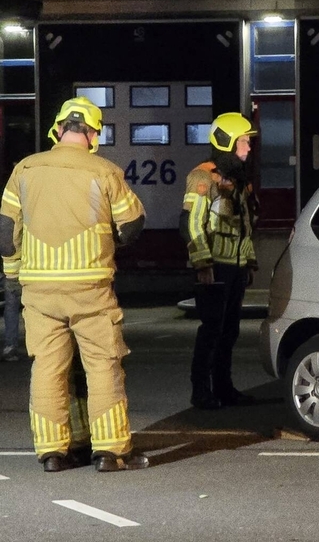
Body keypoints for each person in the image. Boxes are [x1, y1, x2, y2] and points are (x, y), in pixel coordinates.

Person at [0, 96, 148, 473]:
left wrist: (14, 272)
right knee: (103, 366)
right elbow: (131, 227)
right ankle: (110, 452)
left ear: (58, 128)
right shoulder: (105, 172)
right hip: (90, 290)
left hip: (40, 292)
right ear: (94, 133)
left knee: (47, 368)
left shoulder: (25, 169)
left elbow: (5, 234)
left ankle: (52, 453)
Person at [181, 112, 259, 410]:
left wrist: (249, 263)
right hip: (214, 268)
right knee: (211, 331)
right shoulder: (203, 177)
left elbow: (245, 226)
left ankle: (224, 389)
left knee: (229, 332)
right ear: (226, 142)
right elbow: (193, 225)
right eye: (243, 142)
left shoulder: (239, 180)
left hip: (235, 269)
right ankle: (200, 391)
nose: (248, 148)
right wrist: (202, 265)